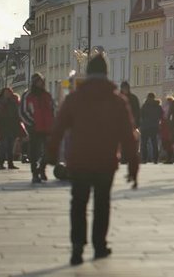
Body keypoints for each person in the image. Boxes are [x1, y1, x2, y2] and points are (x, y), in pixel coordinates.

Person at [47, 54, 139, 266]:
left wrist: (51, 154)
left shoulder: (74, 99)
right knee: (102, 203)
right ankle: (99, 245)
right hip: (105, 161)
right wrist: (133, 166)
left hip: (79, 159)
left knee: (78, 203)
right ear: (106, 74)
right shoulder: (117, 100)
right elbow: (128, 135)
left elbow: (58, 128)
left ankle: (77, 246)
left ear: (88, 74)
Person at [20, 73, 54, 183]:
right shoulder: (27, 95)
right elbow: (22, 111)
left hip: (47, 127)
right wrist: (31, 123)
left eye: (42, 82)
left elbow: (52, 109)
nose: (41, 84)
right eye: (38, 82)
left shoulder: (47, 95)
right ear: (34, 83)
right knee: (34, 151)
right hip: (34, 127)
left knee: (49, 150)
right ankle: (35, 173)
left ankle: (42, 168)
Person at [0, 88, 22, 170]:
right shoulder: (0, 102)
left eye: (9, 92)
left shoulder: (13, 102)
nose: (7, 94)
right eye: (6, 92)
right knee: (4, 145)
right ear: (3, 93)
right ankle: (1, 163)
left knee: (10, 146)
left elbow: (17, 114)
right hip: (3, 126)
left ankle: (10, 163)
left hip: (12, 126)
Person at [120, 82, 140, 164]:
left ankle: (129, 157)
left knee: (131, 141)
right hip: (120, 123)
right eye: (123, 88)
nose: (125, 90)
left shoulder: (133, 98)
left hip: (131, 123)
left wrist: (137, 123)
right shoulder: (118, 97)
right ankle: (123, 157)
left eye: (126, 88)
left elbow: (137, 111)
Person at [139, 93, 163, 164]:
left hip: (145, 127)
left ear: (147, 97)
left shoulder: (144, 106)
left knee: (144, 144)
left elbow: (141, 115)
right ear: (154, 97)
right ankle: (155, 159)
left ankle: (144, 159)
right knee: (154, 143)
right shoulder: (158, 106)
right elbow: (161, 115)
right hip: (154, 127)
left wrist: (141, 124)